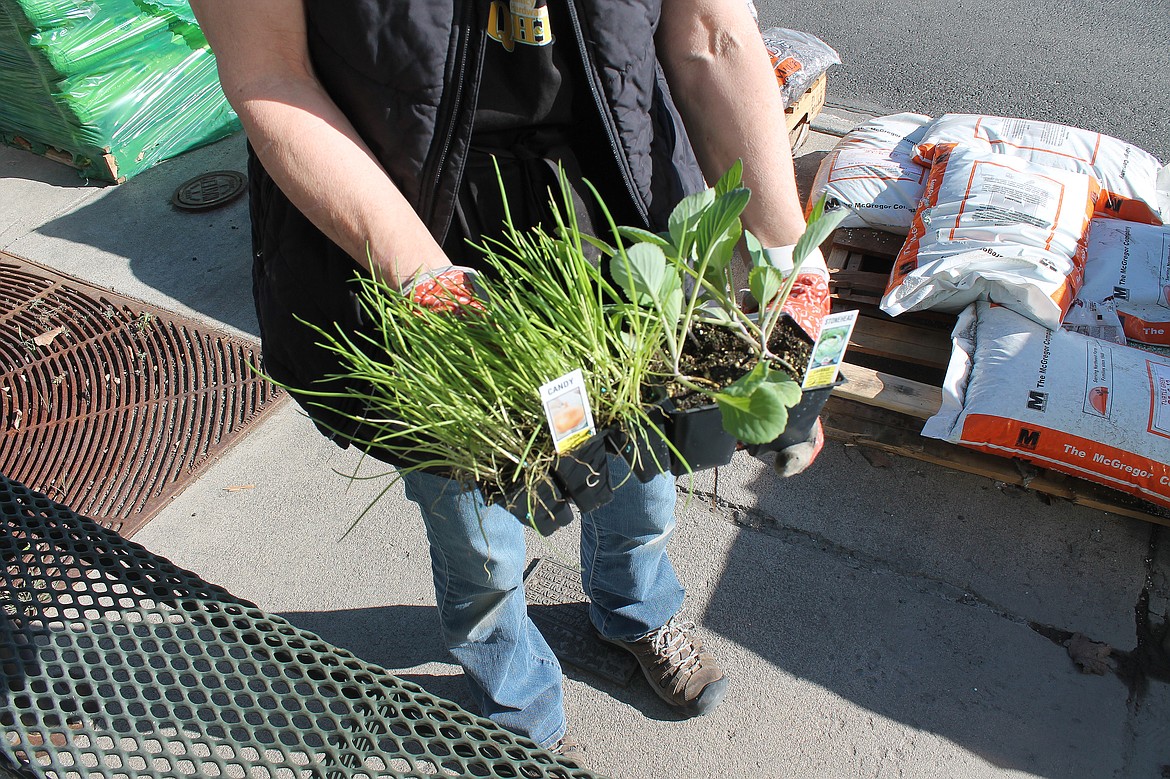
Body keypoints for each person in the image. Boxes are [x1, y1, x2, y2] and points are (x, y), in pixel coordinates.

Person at [188, 0, 832, 763]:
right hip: (412, 223)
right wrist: (425, 281)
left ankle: (633, 611)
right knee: (474, 517)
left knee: (645, 466)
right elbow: (270, 74)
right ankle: (512, 690)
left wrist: (786, 247)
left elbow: (714, 31)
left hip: (617, 208)